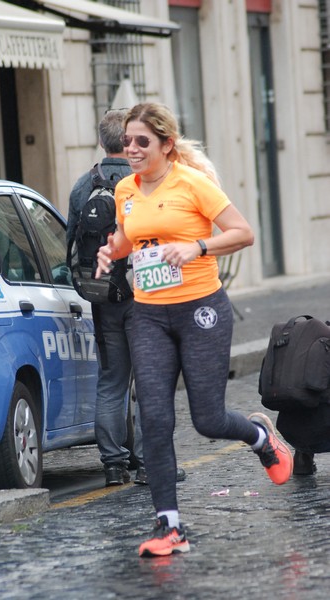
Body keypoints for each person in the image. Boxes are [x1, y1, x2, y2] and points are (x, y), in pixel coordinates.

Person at [96, 102, 294, 557]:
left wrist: (196, 246)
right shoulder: (124, 189)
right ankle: (170, 527)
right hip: (147, 314)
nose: (131, 149)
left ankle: (261, 438)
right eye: (127, 141)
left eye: (141, 141)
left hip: (200, 309)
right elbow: (129, 235)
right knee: (155, 418)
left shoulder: (193, 184)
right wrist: (111, 253)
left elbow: (242, 233)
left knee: (207, 419)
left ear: (166, 145)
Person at [67, 109, 186, 487]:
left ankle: (113, 465)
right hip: (148, 295)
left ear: (103, 142)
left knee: (111, 381)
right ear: (129, 141)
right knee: (151, 382)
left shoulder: (82, 187)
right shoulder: (145, 181)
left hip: (104, 298)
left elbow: (69, 244)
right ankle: (151, 465)